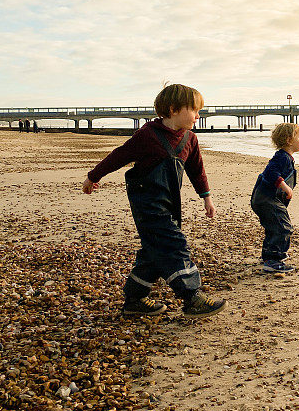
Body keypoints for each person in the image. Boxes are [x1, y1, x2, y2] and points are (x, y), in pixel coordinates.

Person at [81, 84, 225, 318]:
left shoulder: (190, 139)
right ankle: (192, 297)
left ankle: (135, 300)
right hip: (147, 204)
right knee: (172, 244)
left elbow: (197, 170)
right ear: (173, 109)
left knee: (154, 251)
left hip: (170, 202)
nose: (199, 116)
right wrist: (93, 176)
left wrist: (206, 197)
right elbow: (119, 155)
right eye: (194, 110)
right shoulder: (148, 135)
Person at [251, 123, 299, 273]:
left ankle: (268, 256)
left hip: (264, 199)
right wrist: (284, 186)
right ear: (288, 140)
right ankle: (274, 260)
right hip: (267, 199)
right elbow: (271, 172)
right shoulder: (282, 158)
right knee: (283, 227)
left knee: (273, 227)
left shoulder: (285, 157)